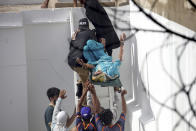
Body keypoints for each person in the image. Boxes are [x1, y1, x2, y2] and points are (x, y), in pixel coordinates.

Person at [68, 18, 97, 96]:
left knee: (84, 72)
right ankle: (83, 104)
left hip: (71, 62)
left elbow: (71, 48)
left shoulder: (75, 33)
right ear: (87, 26)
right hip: (80, 63)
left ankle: (80, 84)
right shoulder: (90, 33)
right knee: (87, 84)